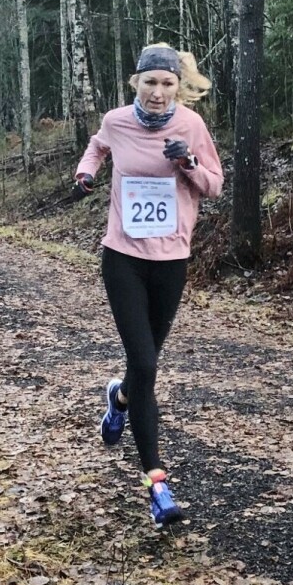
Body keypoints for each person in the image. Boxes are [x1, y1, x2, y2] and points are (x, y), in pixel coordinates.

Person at [72, 43, 223, 527]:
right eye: (150, 82)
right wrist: (86, 173)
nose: (158, 92)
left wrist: (189, 165)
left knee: (143, 367)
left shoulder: (191, 127)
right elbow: (97, 144)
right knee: (145, 362)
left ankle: (118, 399)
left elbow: (215, 185)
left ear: (179, 86)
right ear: (135, 82)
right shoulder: (117, 121)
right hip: (122, 258)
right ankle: (157, 485)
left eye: (167, 83)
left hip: (171, 261)